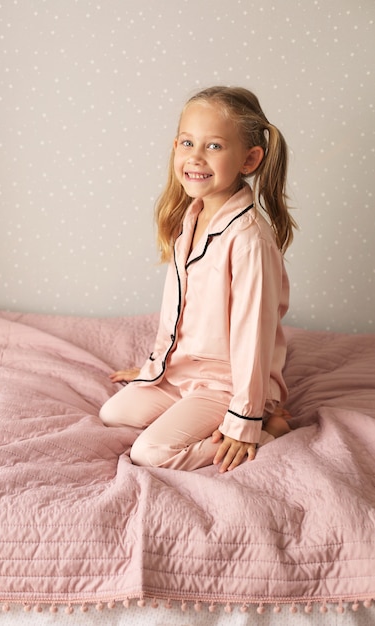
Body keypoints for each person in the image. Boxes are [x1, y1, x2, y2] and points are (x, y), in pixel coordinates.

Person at [100, 86, 296, 473]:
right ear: (175, 146)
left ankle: (270, 429)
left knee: (149, 453)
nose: (196, 157)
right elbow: (178, 310)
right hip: (182, 374)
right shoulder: (189, 217)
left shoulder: (248, 240)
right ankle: (192, 409)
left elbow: (253, 336)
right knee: (114, 413)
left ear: (249, 159)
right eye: (188, 142)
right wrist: (154, 365)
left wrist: (246, 419)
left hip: (227, 385)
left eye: (214, 146)